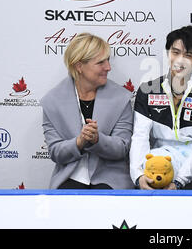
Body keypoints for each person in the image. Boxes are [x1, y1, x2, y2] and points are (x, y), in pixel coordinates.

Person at [41, 33, 134, 189]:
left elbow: (122, 148)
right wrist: (79, 142)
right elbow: (55, 152)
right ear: (79, 66)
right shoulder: (52, 101)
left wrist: (98, 140)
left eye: (108, 60)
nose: (108, 67)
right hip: (68, 177)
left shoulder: (121, 97)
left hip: (111, 179)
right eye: (100, 62)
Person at [129, 25, 192, 190]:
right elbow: (140, 137)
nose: (180, 60)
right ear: (168, 53)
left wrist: (180, 181)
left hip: (191, 171)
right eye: (175, 52)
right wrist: (139, 176)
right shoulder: (148, 90)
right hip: (155, 165)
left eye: (188, 55)